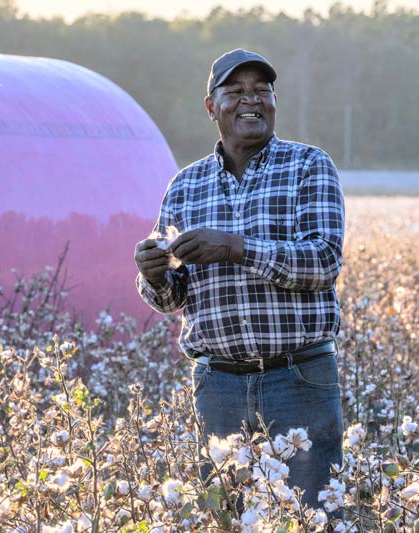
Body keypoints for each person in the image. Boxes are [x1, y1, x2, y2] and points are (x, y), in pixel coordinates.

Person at [133, 48, 346, 513]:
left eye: (261, 91)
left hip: (299, 378)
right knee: (227, 515)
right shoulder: (185, 186)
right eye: (236, 92)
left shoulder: (309, 167)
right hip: (220, 384)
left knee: (314, 515)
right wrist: (154, 274)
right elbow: (173, 298)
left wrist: (236, 247)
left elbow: (324, 260)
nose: (252, 100)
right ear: (212, 107)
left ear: (273, 101)